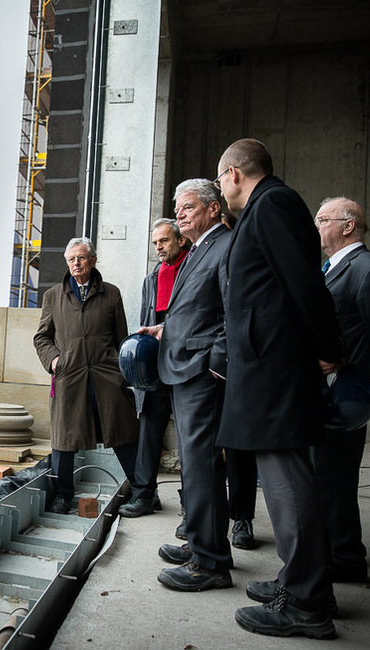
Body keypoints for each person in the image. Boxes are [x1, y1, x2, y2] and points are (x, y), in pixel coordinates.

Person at [214, 139, 344, 639]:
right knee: (284, 480)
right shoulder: (267, 208)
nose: (223, 187)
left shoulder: (275, 203)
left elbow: (305, 283)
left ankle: (307, 601)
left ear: (233, 174)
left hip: (274, 370)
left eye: (221, 179)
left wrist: (329, 346)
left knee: (287, 484)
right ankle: (302, 581)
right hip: (268, 367)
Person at [138, 179, 233, 591]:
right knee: (195, 467)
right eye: (177, 208)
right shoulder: (200, 248)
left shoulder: (227, 245)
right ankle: (202, 544)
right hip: (182, 364)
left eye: (188, 206)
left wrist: (215, 364)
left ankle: (210, 563)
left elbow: (235, 311)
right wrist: (165, 330)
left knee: (204, 467)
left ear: (214, 209)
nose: (180, 214)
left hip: (200, 372)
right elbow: (197, 310)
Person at [313, 197, 370, 582]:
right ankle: (331, 553)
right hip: (323, 394)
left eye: (323, 219)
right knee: (324, 479)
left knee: (336, 480)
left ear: (348, 225)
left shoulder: (368, 269)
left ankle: (346, 561)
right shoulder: (330, 268)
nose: (316, 226)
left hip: (345, 395)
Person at [33, 237, 140, 514]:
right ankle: (63, 495)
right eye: (71, 259)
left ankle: (142, 491)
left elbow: (122, 338)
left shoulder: (111, 294)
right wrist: (55, 359)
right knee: (65, 439)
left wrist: (121, 371)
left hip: (106, 376)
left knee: (122, 432)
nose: (76, 264)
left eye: (81, 258)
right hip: (70, 376)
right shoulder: (53, 296)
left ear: (92, 260)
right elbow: (42, 337)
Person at [118, 218, 189, 518]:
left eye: (164, 241)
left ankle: (192, 507)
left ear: (181, 240)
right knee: (148, 432)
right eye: (155, 243)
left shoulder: (193, 270)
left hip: (186, 365)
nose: (158, 247)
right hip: (155, 369)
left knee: (189, 438)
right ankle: (145, 495)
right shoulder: (152, 279)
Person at [219, 210, 259, 551]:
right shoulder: (203, 253)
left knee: (240, 450)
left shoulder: (243, 252)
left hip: (238, 364)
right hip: (203, 365)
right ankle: (197, 517)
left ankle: (242, 519)